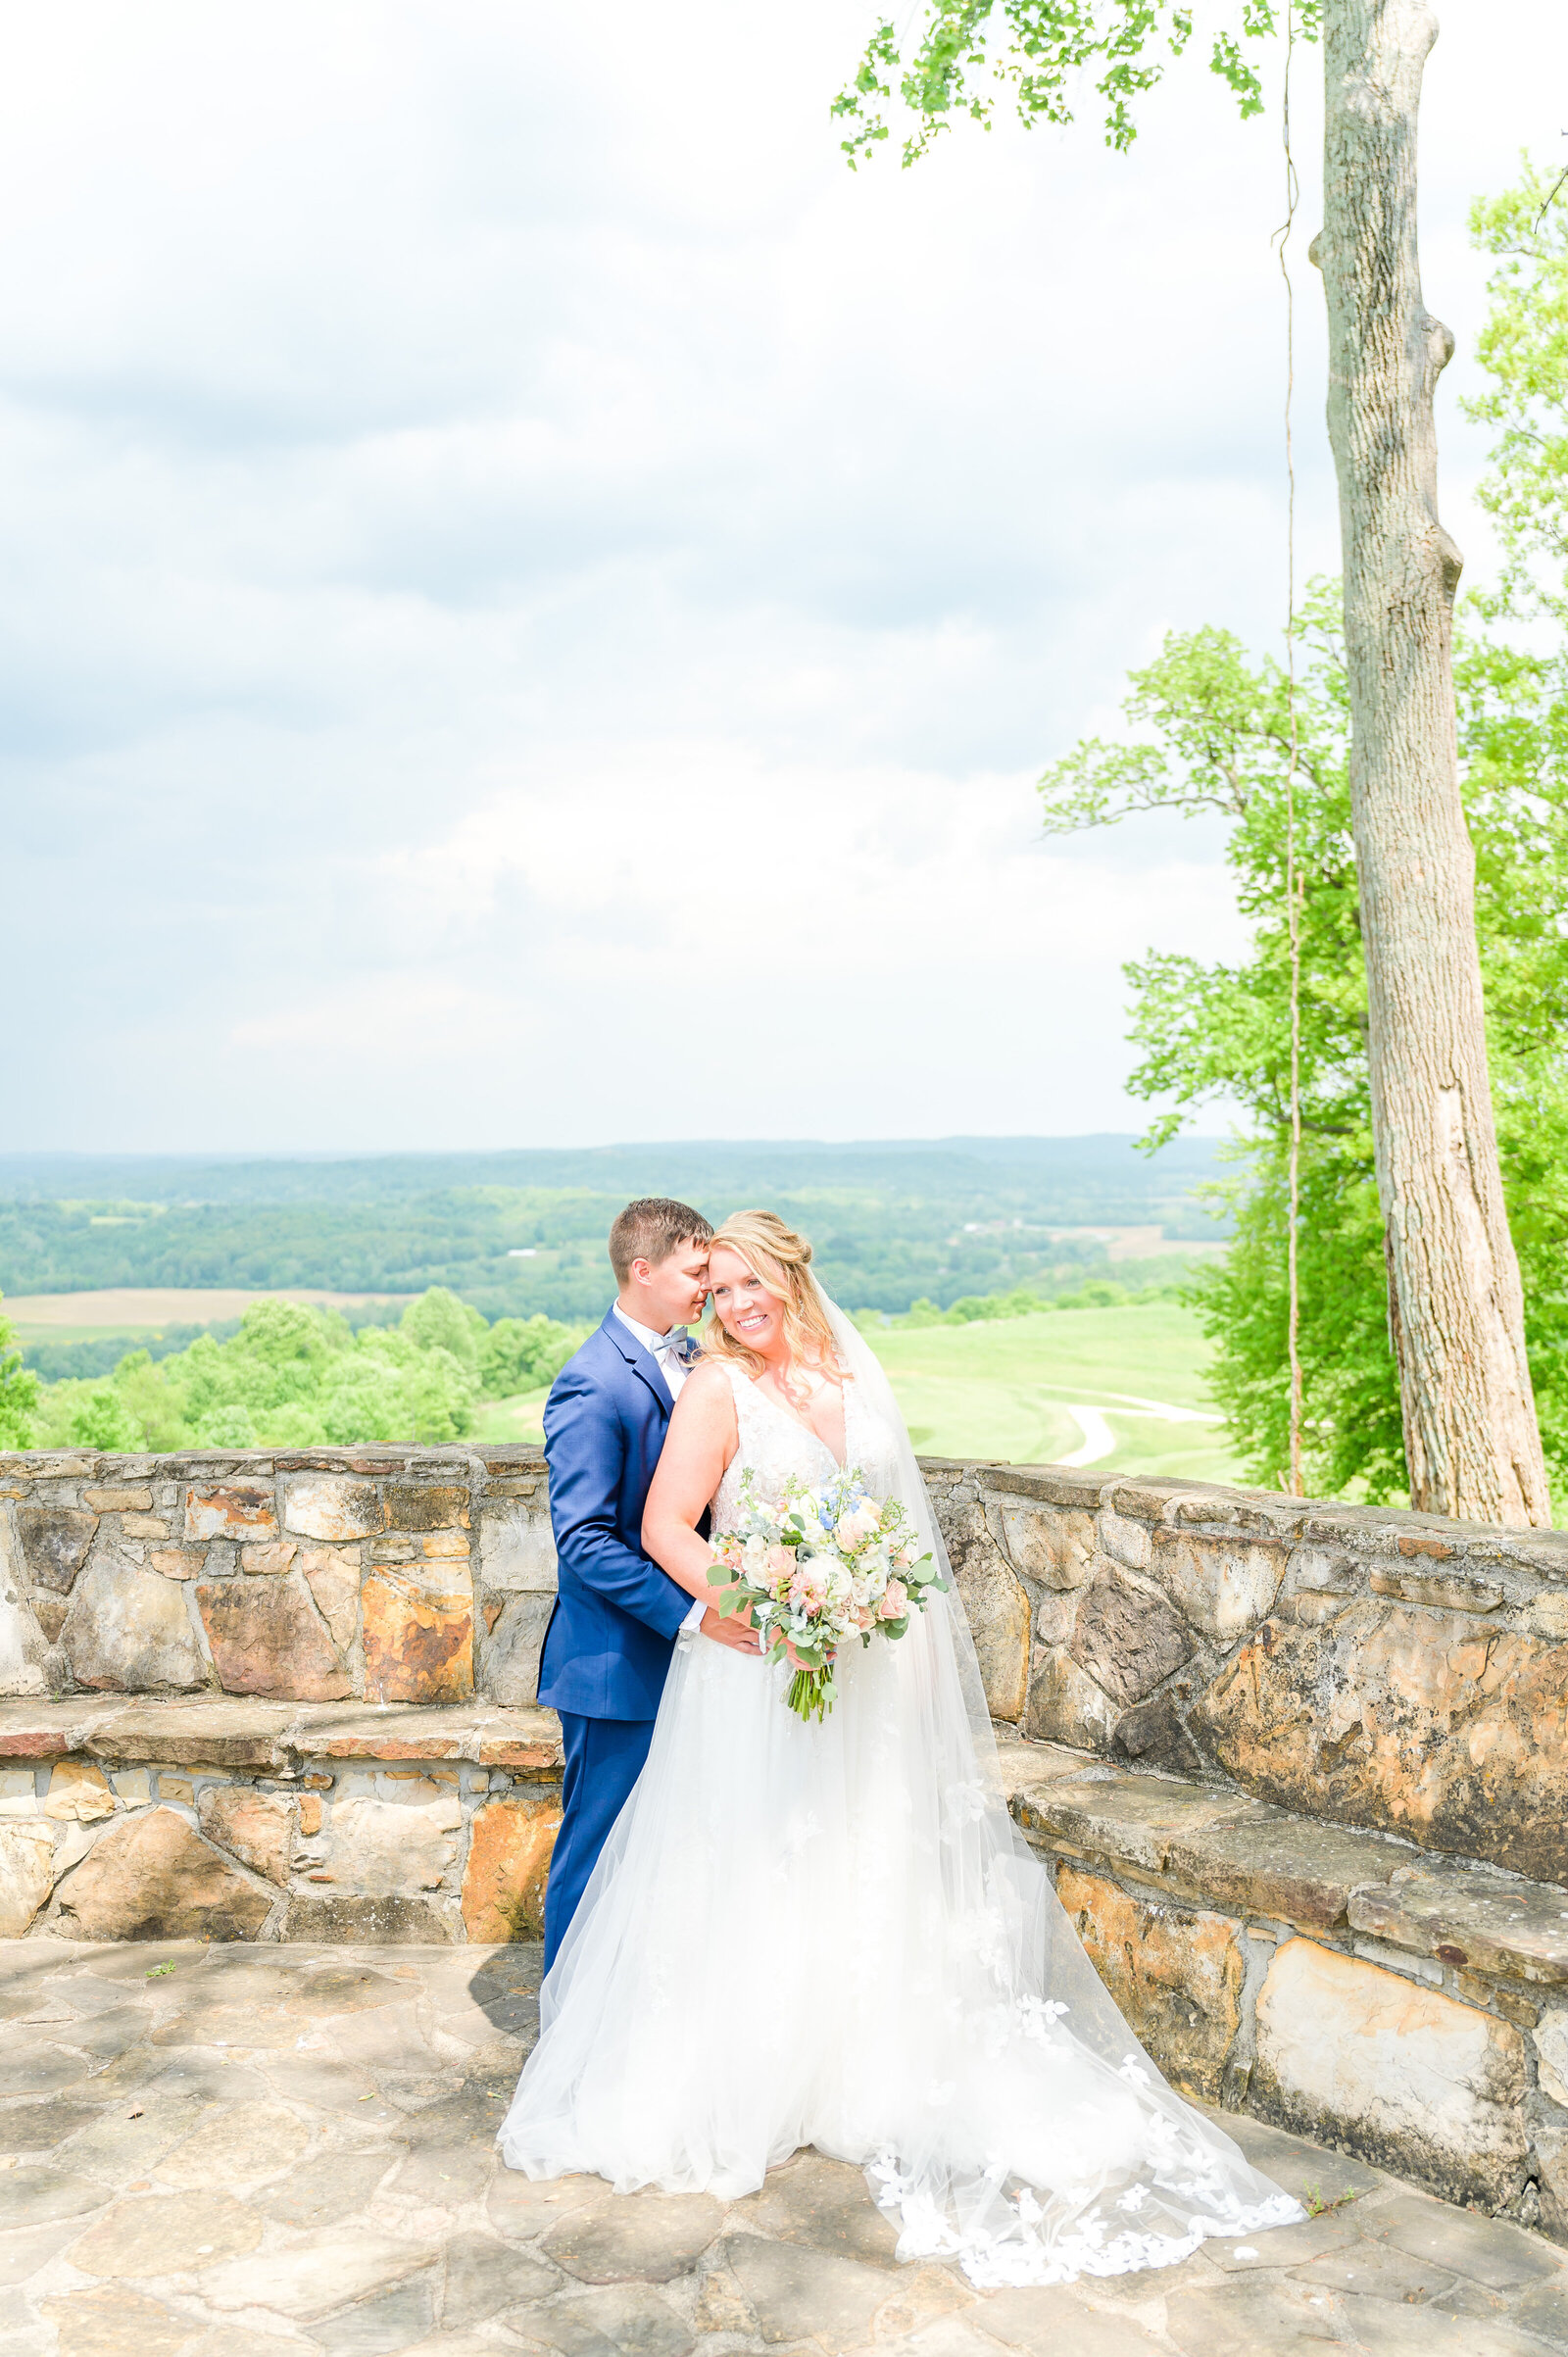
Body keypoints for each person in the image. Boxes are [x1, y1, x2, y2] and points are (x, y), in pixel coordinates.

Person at [503, 1209, 1300, 2287]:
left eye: (752, 1283)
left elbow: (898, 1531)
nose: (735, 1303)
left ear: (791, 1275)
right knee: (755, 1855)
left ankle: (861, 2052)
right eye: (718, 1286)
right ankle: (749, 2062)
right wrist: (757, 1600)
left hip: (868, 1668)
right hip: (754, 1671)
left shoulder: (850, 1373)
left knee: (863, 1847)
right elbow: (660, 1528)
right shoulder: (712, 1385)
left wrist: (897, 1636)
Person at [534, 1197, 760, 1972]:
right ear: (643, 1270)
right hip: (614, 1667)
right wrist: (697, 1613)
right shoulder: (593, 1383)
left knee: (668, 1849)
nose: (708, 1287)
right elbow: (586, 1542)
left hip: (693, 1664)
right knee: (596, 1850)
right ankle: (563, 2023)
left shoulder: (694, 1360)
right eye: (697, 1272)